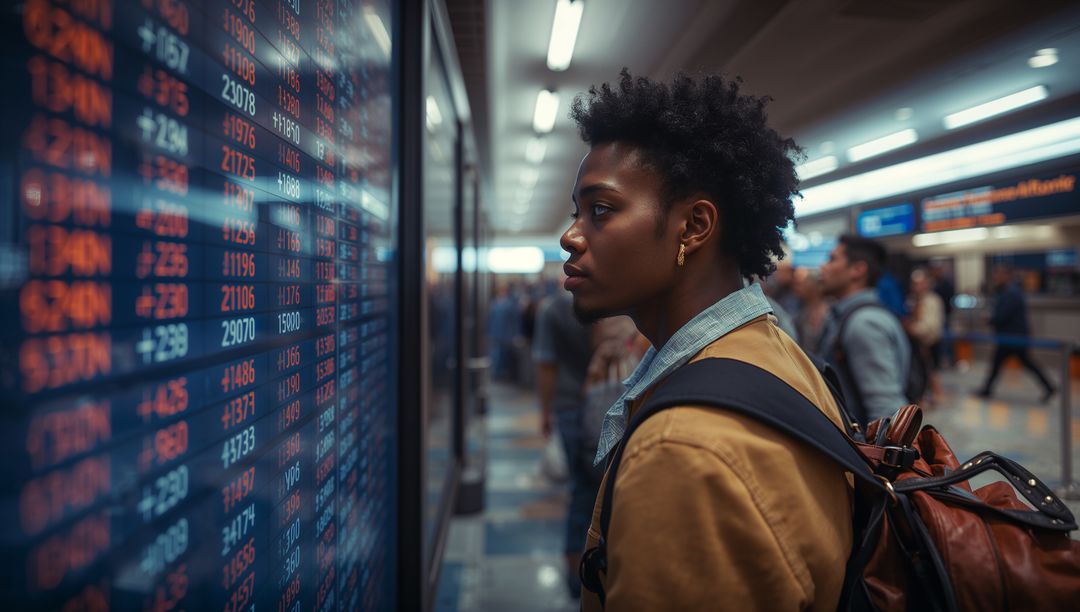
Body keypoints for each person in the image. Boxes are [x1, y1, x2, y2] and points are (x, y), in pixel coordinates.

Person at [562, 70, 852, 610]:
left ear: (693, 227)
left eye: (600, 210)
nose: (571, 235)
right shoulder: (772, 350)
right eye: (577, 211)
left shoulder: (684, 451)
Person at [531, 289, 597, 597]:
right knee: (601, 491)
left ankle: (575, 576)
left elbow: (547, 365)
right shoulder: (613, 301)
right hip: (609, 401)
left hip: (570, 407)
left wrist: (546, 412)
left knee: (580, 490)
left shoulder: (552, 310)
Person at [818, 234, 912, 425]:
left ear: (858, 270)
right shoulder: (846, 316)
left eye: (832, 259)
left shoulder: (864, 323)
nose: (823, 267)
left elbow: (886, 410)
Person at [976, 265, 1056, 402]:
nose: (996, 278)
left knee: (1019, 363)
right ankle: (1049, 387)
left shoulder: (1011, 293)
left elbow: (1002, 315)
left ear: (1007, 276)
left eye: (999, 274)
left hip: (1013, 338)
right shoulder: (1005, 292)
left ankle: (1049, 387)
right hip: (1009, 337)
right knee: (1000, 364)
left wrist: (990, 318)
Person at [905, 268, 945, 404]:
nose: (917, 287)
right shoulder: (911, 300)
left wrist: (913, 329)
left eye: (920, 283)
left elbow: (932, 326)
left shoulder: (933, 301)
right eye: (915, 284)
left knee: (930, 371)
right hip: (915, 344)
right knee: (920, 373)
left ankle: (933, 396)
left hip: (929, 343)